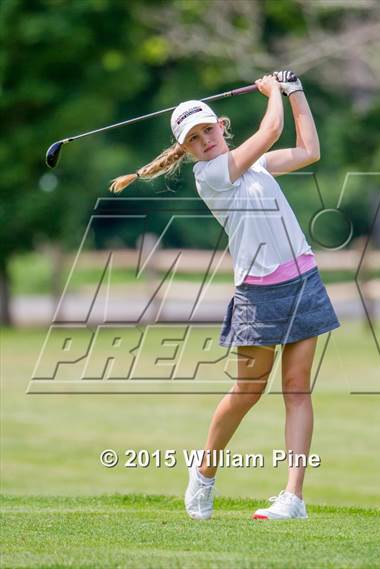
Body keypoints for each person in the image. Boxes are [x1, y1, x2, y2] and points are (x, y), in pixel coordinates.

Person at [110, 71, 341, 521]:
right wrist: (272, 92)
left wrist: (295, 92)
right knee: (248, 391)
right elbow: (270, 130)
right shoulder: (211, 174)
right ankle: (204, 472)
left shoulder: (249, 163)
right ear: (187, 150)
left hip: (303, 281)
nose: (205, 140)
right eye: (194, 138)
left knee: (297, 389)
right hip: (259, 292)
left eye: (208, 130)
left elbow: (310, 150)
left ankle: (293, 498)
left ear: (221, 126)